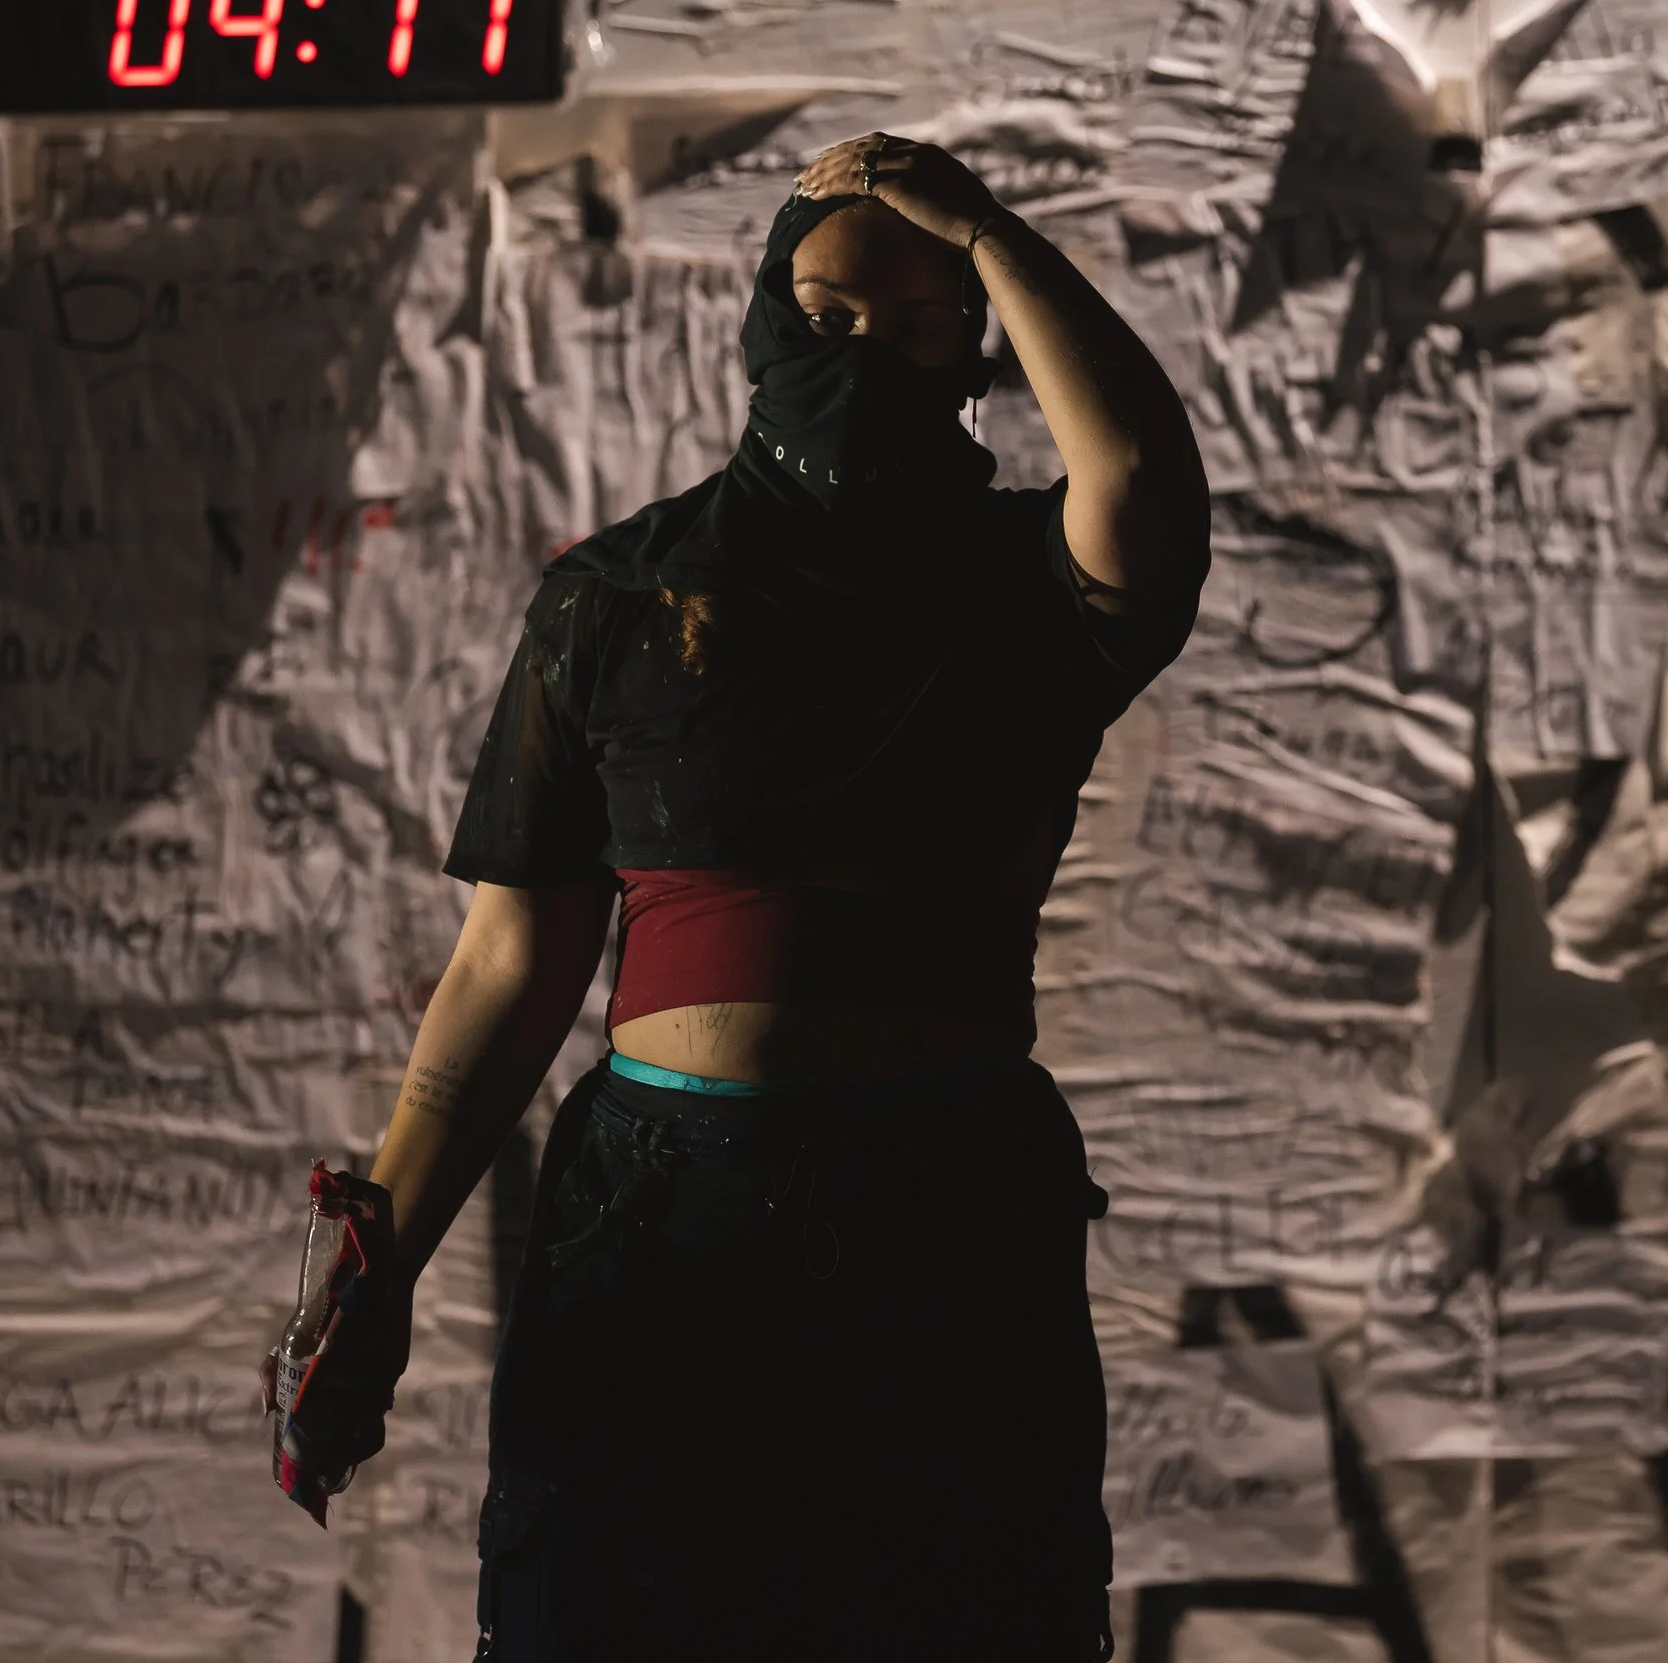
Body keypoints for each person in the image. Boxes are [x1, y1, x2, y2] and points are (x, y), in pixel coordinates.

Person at [304, 134, 1208, 1661]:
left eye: (927, 328)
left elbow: (1140, 476)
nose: (872, 355)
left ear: (980, 343)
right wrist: (372, 1260)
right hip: (662, 1232)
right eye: (834, 317)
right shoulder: (619, 598)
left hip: (946, 1239)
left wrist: (986, 230)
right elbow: (512, 959)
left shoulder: (1031, 590)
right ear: (766, 323)